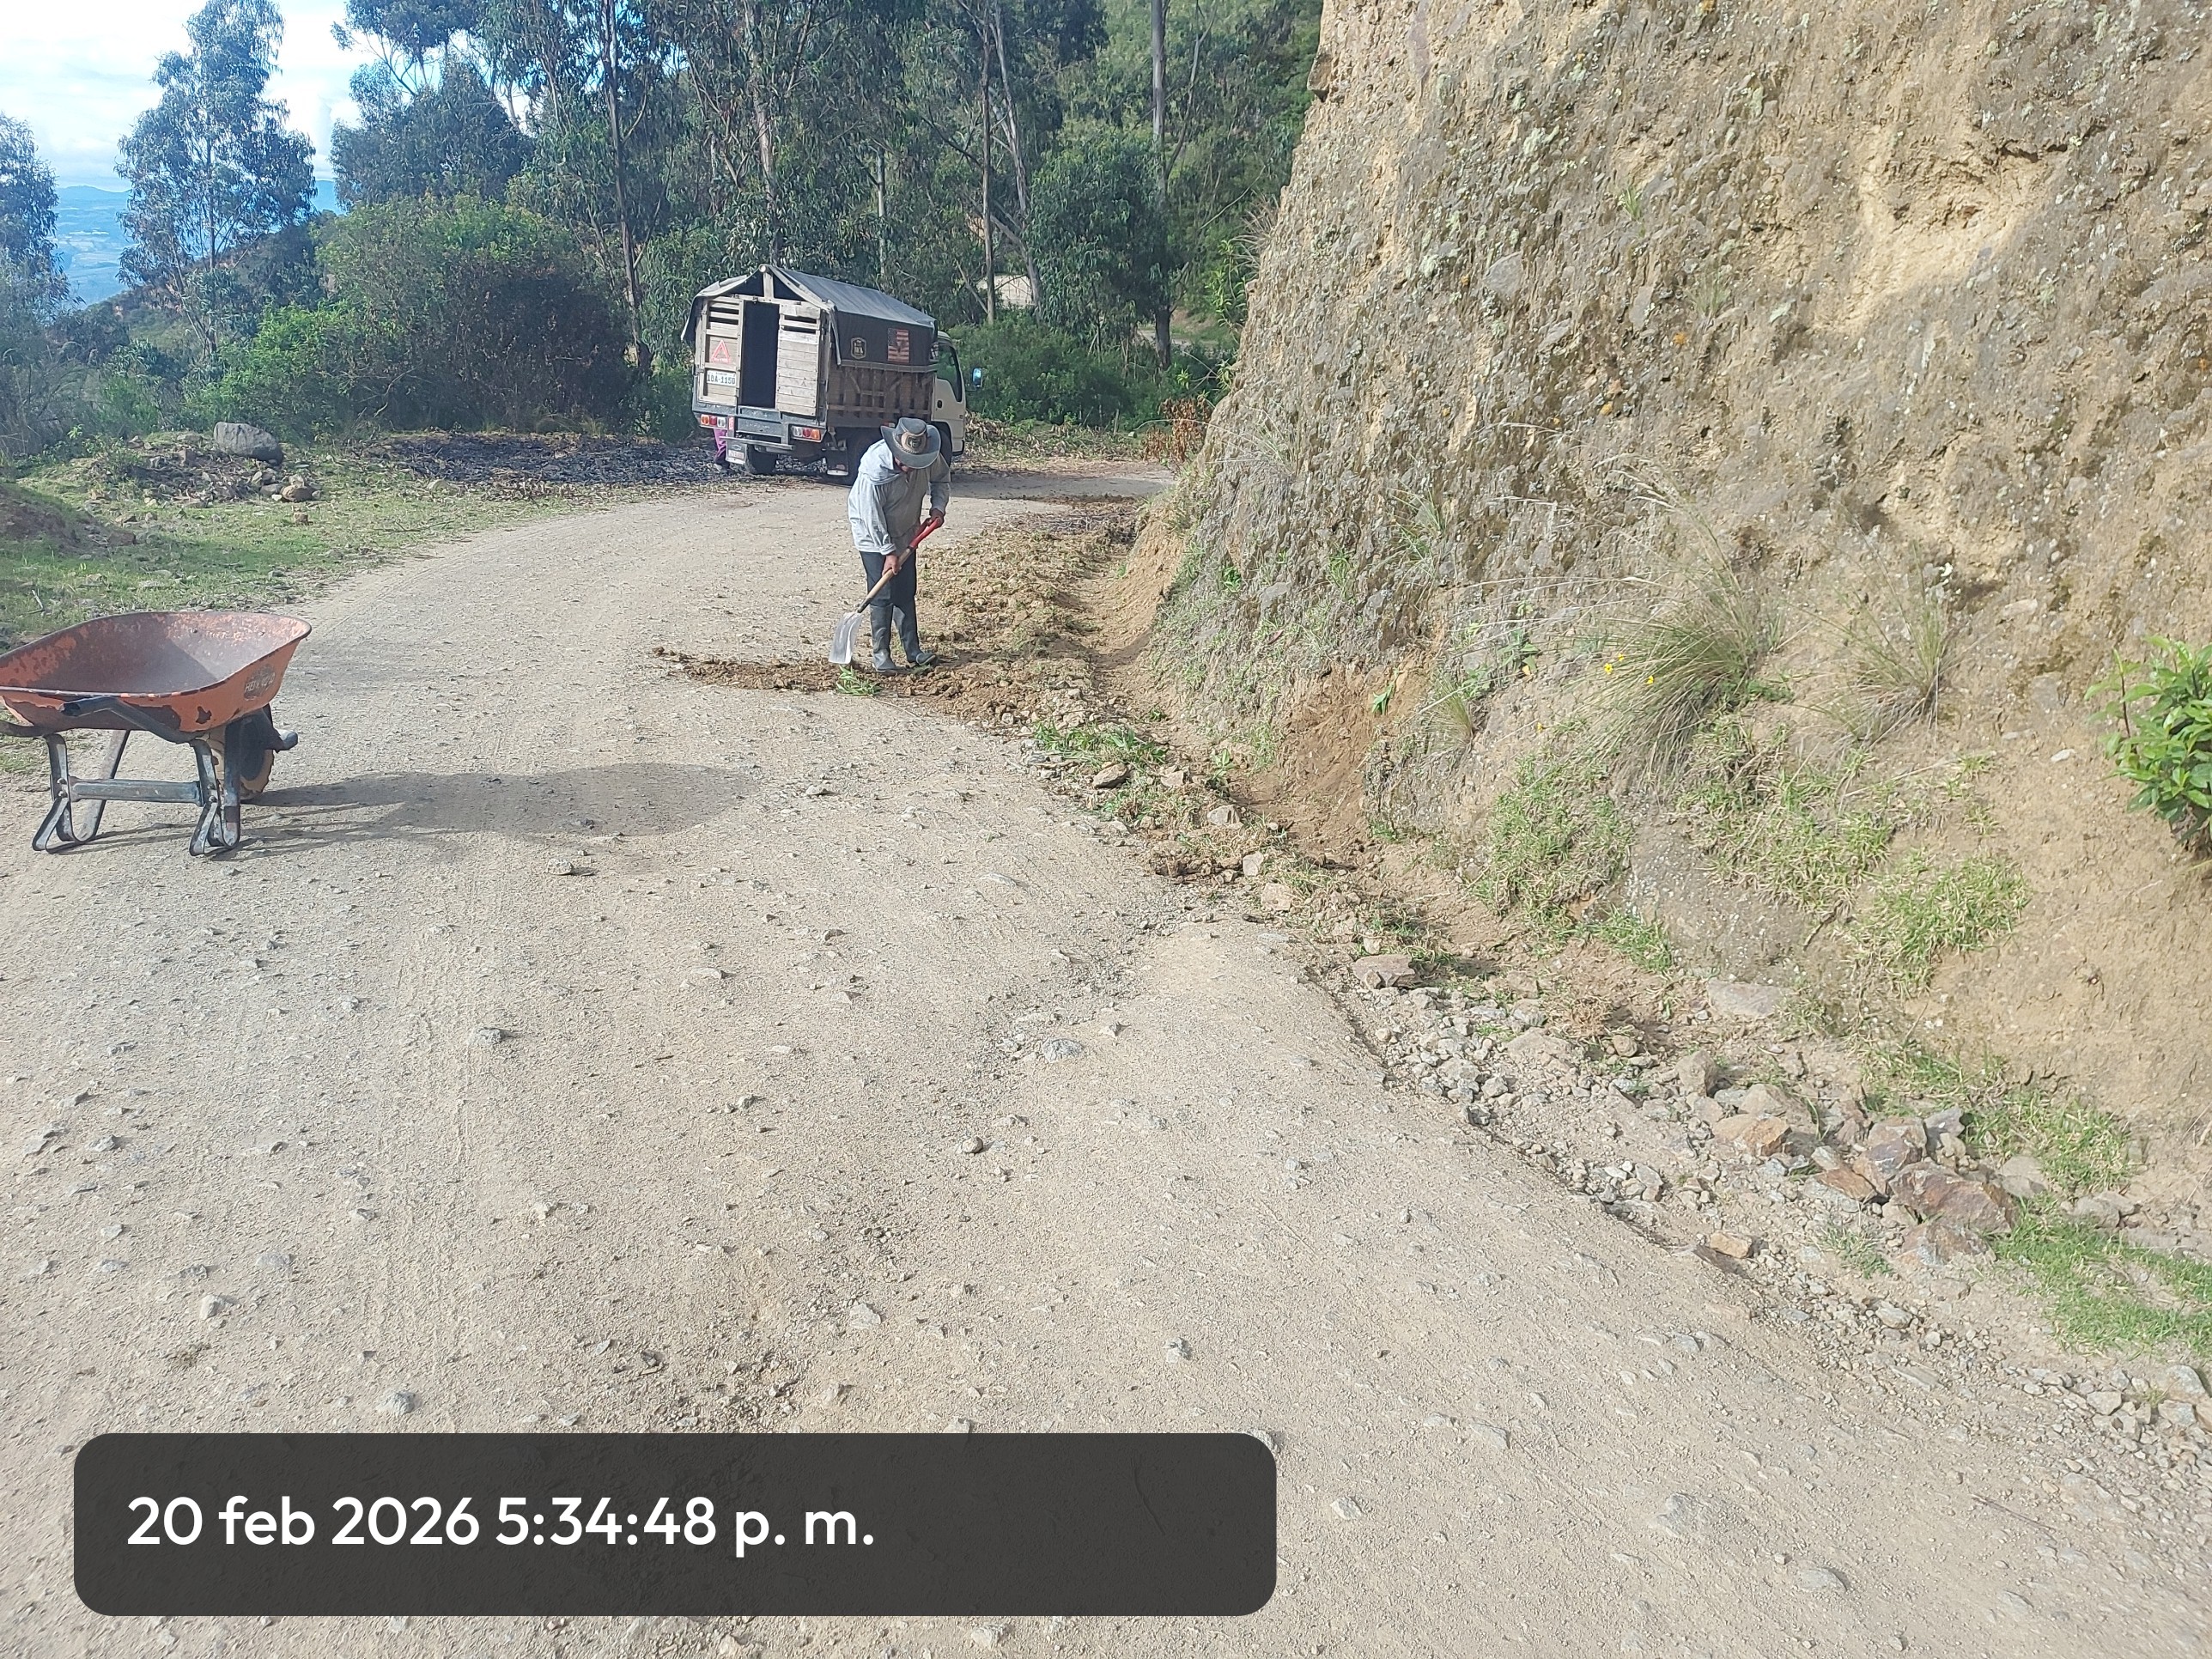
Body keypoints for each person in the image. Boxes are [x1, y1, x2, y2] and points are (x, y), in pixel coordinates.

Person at [846, 416, 949, 673]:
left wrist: (938, 507)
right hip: (872, 535)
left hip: (906, 531)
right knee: (883, 593)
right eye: (905, 462)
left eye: (915, 463)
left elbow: (942, 478)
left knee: (905, 590)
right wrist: (887, 552)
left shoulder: (928, 457)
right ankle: (881, 655)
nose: (909, 468)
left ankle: (913, 651)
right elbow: (871, 516)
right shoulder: (874, 470)